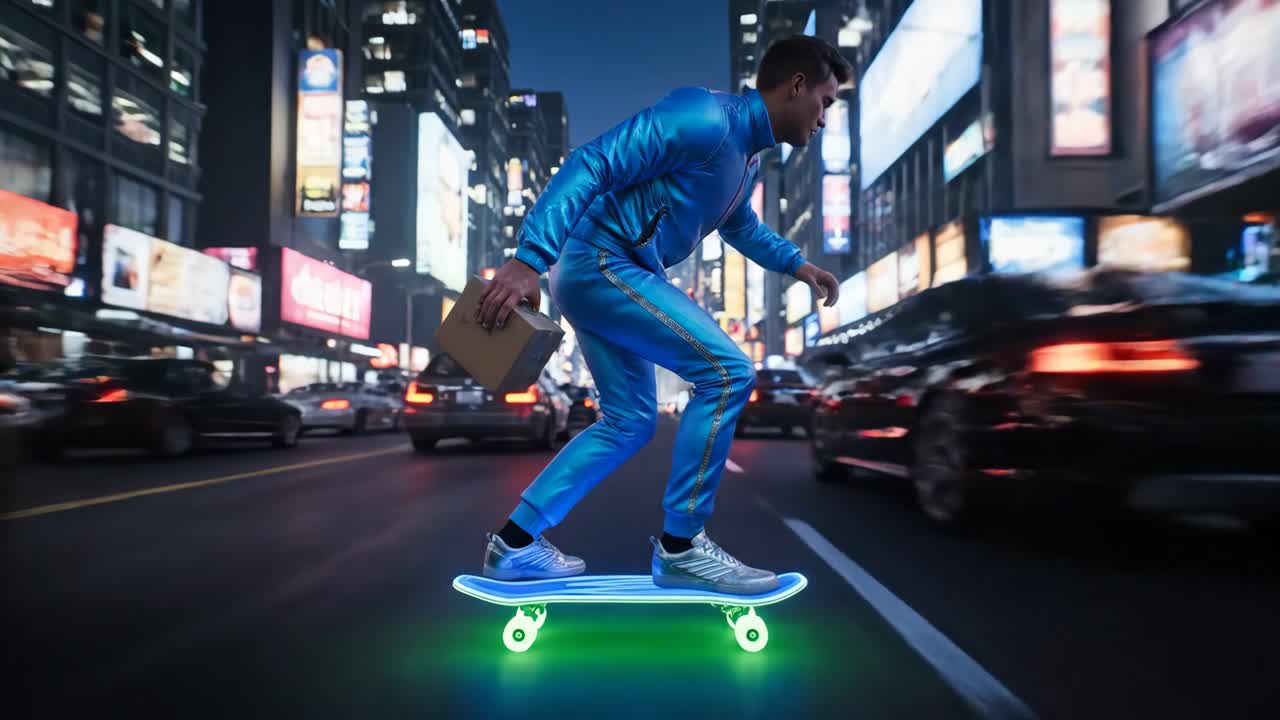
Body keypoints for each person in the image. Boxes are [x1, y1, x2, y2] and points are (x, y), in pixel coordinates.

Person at [473, 35, 847, 595]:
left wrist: (797, 265)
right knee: (726, 372)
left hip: (606, 268)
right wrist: (529, 257)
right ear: (796, 87)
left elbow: (739, 225)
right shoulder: (705, 117)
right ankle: (682, 547)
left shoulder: (743, 157)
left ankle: (516, 543)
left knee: (630, 421)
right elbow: (592, 161)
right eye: (825, 101)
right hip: (600, 259)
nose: (824, 118)